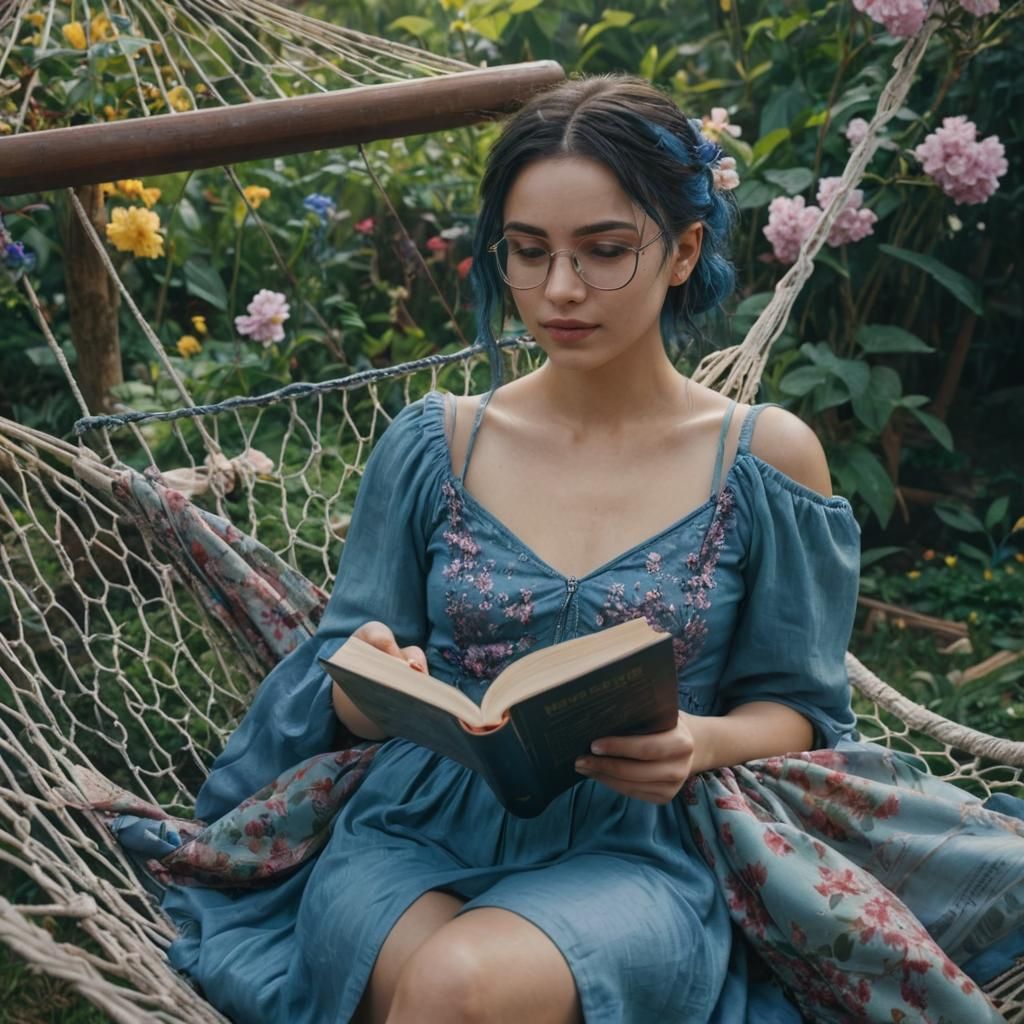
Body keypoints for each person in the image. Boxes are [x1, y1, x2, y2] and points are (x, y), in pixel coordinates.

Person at [162, 74, 1022, 1024]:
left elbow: (801, 708)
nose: (560, 290)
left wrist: (698, 742)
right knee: (428, 981)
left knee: (459, 988)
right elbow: (343, 679)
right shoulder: (435, 442)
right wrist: (373, 679)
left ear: (684, 250)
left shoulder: (764, 460)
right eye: (529, 254)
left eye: (604, 252)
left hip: (640, 839)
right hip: (413, 821)